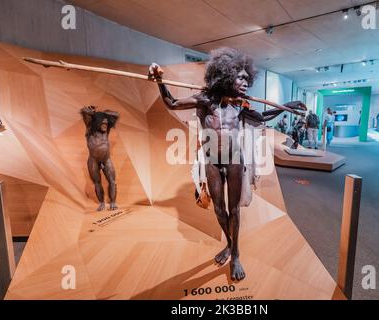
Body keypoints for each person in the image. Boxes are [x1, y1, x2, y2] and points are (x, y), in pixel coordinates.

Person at [148, 48, 305, 281]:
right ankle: (231, 244)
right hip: (211, 160)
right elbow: (171, 103)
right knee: (219, 210)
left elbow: (262, 118)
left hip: (234, 160)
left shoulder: (239, 104)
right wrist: (159, 80)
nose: (245, 82)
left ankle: (236, 255)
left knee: (234, 210)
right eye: (240, 77)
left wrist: (286, 106)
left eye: (246, 78)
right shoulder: (205, 99)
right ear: (226, 76)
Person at [80, 106, 119, 211]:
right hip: (93, 160)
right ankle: (101, 203)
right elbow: (83, 112)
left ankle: (113, 202)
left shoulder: (107, 130)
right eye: (103, 123)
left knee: (112, 181)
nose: (105, 125)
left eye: (106, 123)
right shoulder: (90, 128)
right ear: (97, 123)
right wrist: (93, 114)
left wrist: (105, 114)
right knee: (97, 182)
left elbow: (116, 115)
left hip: (106, 159)